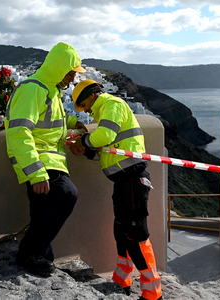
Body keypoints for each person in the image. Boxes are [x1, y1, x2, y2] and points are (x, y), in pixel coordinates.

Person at [68, 80, 163, 300]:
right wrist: (88, 152)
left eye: (85, 105)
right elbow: (110, 152)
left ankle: (153, 293)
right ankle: (122, 281)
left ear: (93, 96)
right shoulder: (105, 113)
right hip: (123, 181)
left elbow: (105, 137)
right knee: (122, 231)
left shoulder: (112, 104)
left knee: (135, 232)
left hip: (132, 179)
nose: (87, 111)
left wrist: (83, 141)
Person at [4, 42, 87, 277]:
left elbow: (51, 120)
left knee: (41, 212)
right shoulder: (33, 89)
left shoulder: (50, 90)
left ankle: (40, 258)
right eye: (71, 73)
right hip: (39, 162)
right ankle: (29, 253)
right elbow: (19, 132)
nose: (72, 79)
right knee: (66, 194)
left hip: (46, 160)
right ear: (60, 69)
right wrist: (36, 172)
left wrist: (73, 124)